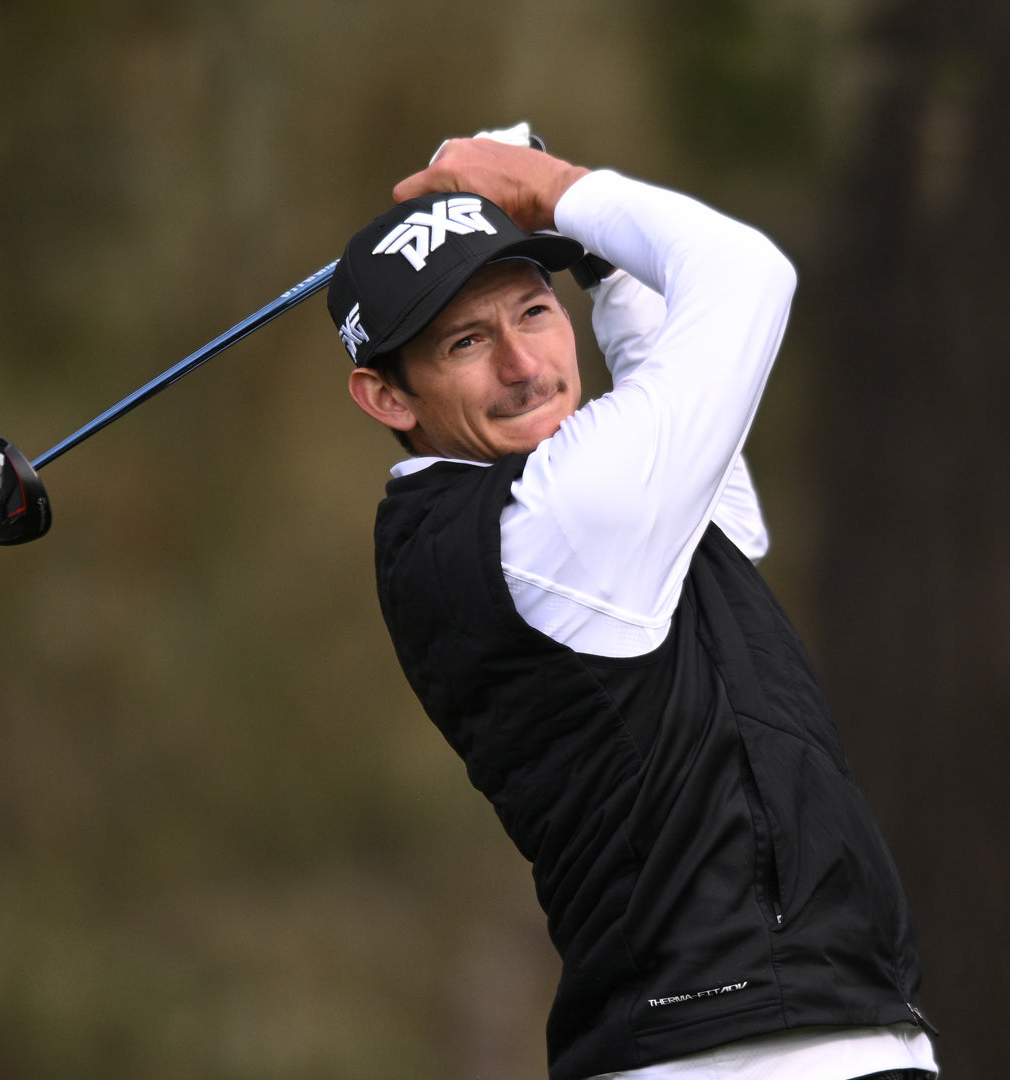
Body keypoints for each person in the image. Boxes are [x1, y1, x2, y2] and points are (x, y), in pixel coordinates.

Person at [326, 125, 938, 1080]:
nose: (523, 364)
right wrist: (558, 188)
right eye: (466, 342)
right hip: (745, 1052)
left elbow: (728, 519)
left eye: (535, 311)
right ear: (388, 398)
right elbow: (748, 275)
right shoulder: (551, 515)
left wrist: (603, 264)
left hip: (760, 1037)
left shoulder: (490, 522)